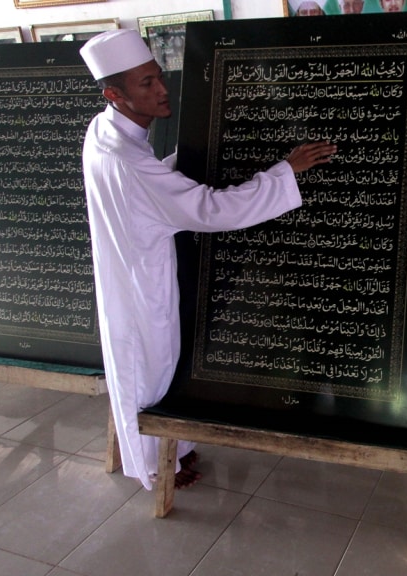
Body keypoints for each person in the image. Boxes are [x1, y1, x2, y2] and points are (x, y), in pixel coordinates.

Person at [79, 30, 336, 490]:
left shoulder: (103, 129)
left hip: (129, 267)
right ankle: (156, 468)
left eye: (159, 78)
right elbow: (210, 209)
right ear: (113, 94)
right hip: (142, 282)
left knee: (150, 366)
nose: (161, 91)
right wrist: (285, 174)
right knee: (147, 372)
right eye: (145, 85)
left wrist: (198, 146)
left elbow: (158, 178)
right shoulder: (126, 161)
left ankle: (171, 450)